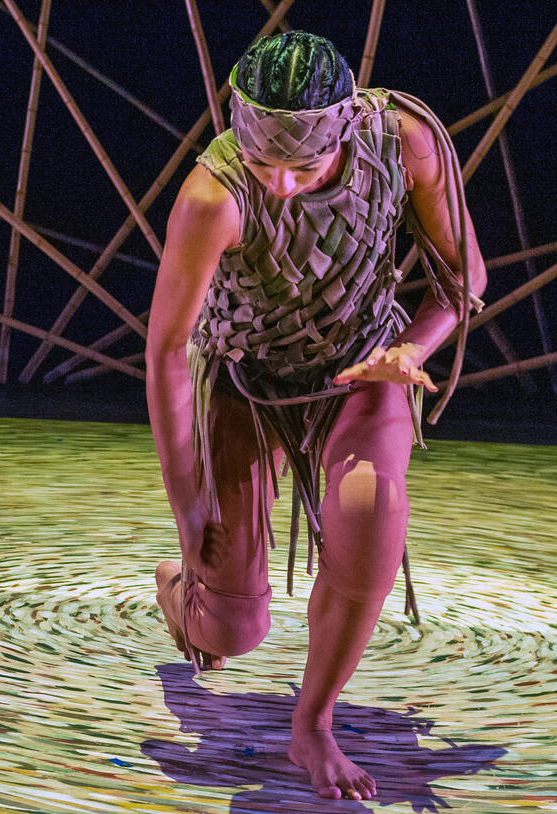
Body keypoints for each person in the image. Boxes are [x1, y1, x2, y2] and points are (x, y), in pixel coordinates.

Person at [146, 31, 487, 801]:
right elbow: (167, 352)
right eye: (265, 163)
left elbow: (464, 276)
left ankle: (313, 724)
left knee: (374, 506)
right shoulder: (212, 199)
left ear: (344, 132)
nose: (281, 185)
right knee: (233, 630)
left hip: (361, 368)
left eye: (304, 168)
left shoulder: (403, 141)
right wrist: (190, 508)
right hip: (248, 385)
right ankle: (180, 593)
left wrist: (409, 349)